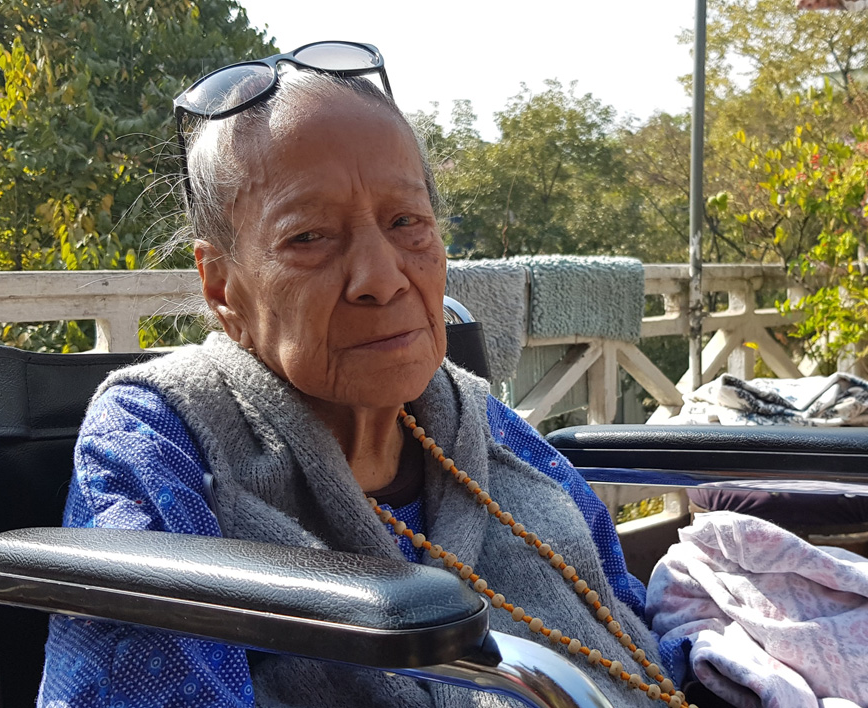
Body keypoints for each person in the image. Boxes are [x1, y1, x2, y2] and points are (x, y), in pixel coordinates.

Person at [37, 42, 683, 708]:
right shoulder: (161, 438)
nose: (381, 277)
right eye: (309, 237)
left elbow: (625, 622)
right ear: (223, 288)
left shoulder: (477, 422)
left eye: (407, 222)